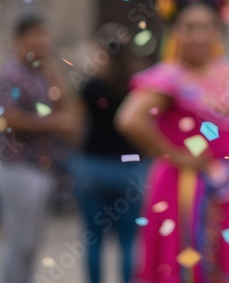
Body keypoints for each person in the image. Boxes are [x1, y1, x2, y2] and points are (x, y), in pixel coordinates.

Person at [116, 0, 229, 283]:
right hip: (183, 185)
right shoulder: (169, 76)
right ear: (176, 32)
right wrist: (174, 154)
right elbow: (130, 119)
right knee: (188, 258)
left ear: (218, 31)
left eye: (207, 27)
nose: (199, 35)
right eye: (190, 27)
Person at [0, 15, 78, 283]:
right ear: (20, 40)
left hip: (43, 167)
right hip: (18, 167)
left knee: (32, 243)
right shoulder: (10, 73)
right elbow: (8, 119)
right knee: (20, 242)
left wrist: (52, 72)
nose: (42, 41)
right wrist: (54, 123)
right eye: (35, 35)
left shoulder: (42, 74)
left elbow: (68, 109)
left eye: (44, 35)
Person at [70, 24, 148, 283]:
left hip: (94, 167)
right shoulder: (137, 86)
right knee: (128, 241)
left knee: (94, 240)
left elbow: (75, 126)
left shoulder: (91, 87)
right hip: (130, 168)